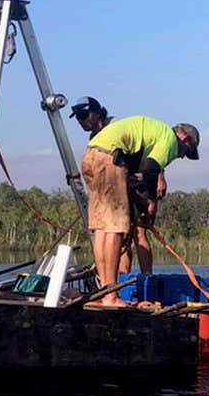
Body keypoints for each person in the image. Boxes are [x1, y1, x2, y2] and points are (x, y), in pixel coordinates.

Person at [81, 116, 199, 307]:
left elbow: (130, 178)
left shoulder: (151, 137)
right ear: (184, 137)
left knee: (102, 228)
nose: (181, 156)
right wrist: (151, 202)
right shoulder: (169, 138)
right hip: (110, 157)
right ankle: (111, 296)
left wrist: (140, 206)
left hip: (91, 157)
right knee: (113, 228)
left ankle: (104, 293)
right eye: (186, 151)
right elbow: (152, 170)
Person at [70, 97, 163, 274]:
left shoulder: (116, 125)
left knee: (139, 232)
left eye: (83, 115)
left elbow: (151, 148)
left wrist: (159, 176)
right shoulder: (94, 137)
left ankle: (146, 278)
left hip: (138, 180)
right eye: (77, 117)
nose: (81, 121)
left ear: (96, 113)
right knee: (120, 233)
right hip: (119, 183)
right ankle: (121, 280)